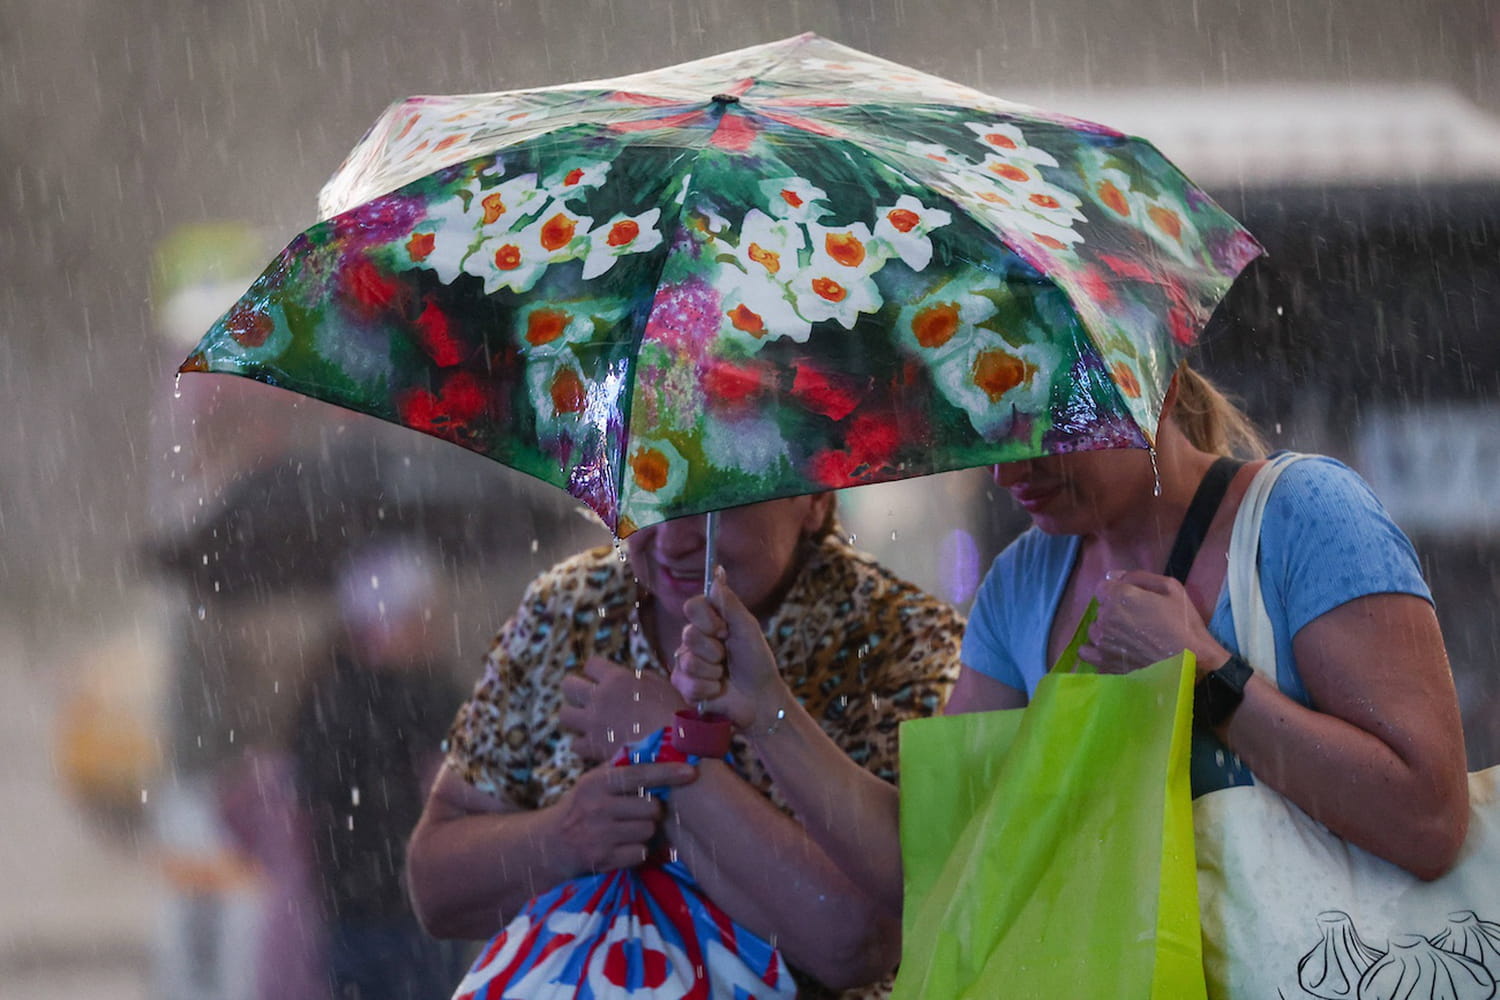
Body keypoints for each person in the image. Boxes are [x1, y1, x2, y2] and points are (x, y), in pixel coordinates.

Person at [406, 494, 964, 999]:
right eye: (650, 493)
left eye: (718, 502)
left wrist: (664, 746)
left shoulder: (905, 640)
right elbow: (435, 888)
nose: (673, 540)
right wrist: (563, 836)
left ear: (815, 500)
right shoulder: (567, 606)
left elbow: (857, 941)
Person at [946, 361, 1469, 880]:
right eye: (988, 431)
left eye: (1044, 429)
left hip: (1318, 960)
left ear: (1154, 387)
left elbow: (1429, 823)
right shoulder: (1018, 584)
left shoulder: (1305, 512)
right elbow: (949, 851)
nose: (1007, 473)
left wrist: (1208, 674)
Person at [290, 541, 468, 1000]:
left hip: (380, 912)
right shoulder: (412, 699)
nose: (432, 627)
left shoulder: (327, 696)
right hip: (391, 913)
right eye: (419, 615)